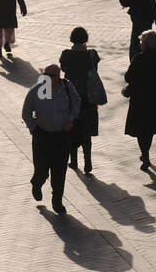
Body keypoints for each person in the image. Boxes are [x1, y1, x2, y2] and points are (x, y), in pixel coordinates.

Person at [22, 64, 80, 217]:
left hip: (61, 136)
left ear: (59, 75)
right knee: (41, 169)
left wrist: (71, 120)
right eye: (45, 75)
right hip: (42, 136)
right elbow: (26, 112)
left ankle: (57, 201)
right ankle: (37, 183)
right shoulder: (37, 90)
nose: (47, 78)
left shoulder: (67, 87)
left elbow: (76, 103)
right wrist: (33, 128)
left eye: (52, 76)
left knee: (59, 171)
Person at [123, 30, 156, 171]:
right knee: (149, 127)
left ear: (143, 44)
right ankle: (146, 153)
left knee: (140, 128)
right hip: (155, 98)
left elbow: (128, 77)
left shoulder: (139, 59)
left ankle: (145, 154)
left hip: (139, 98)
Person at [60, 27, 101, 177]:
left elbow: (63, 68)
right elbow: (95, 69)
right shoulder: (92, 54)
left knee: (71, 128)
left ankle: (74, 160)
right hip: (88, 98)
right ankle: (88, 160)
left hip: (71, 97)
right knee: (87, 130)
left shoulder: (66, 54)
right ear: (86, 39)